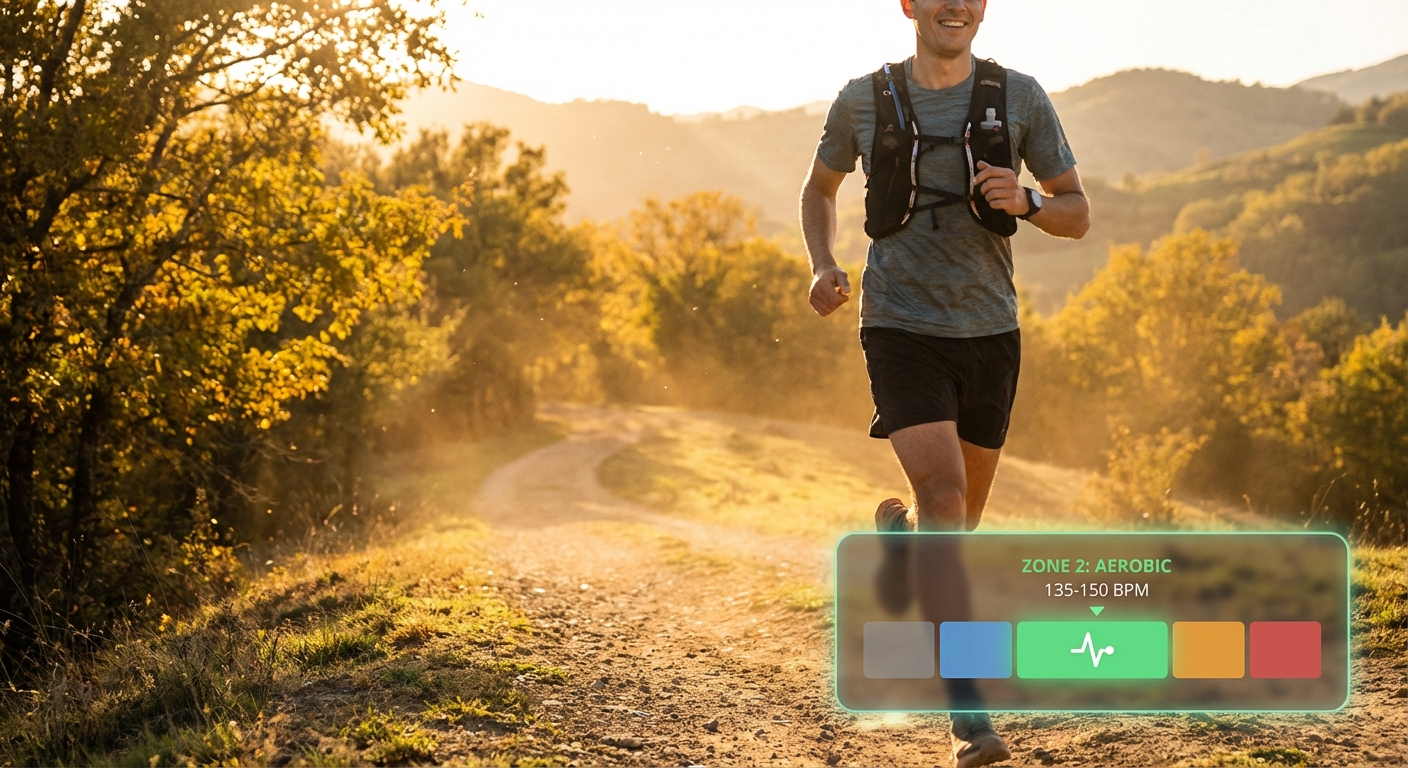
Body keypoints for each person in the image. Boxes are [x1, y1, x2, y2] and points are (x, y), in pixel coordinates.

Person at [799, 0, 1089, 765]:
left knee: (954, 532)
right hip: (898, 324)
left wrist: (1027, 201)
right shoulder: (863, 97)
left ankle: (901, 549)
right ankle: (972, 719)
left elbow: (1077, 212)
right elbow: (819, 189)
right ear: (909, 5)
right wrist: (824, 265)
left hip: (991, 333)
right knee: (947, 497)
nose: (954, 5)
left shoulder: (1019, 96)